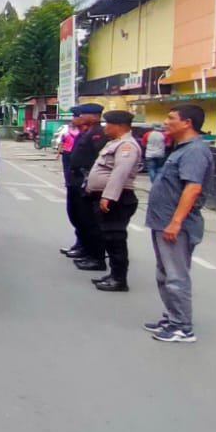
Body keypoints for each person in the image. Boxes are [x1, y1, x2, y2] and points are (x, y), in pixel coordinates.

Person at [144, 104, 213, 343]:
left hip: (176, 225)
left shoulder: (194, 151)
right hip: (162, 221)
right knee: (164, 274)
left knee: (176, 276)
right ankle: (171, 317)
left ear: (187, 123)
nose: (165, 122)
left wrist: (175, 223)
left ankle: (182, 327)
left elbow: (192, 189)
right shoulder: (180, 148)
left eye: (171, 118)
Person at [81, 110, 144, 292]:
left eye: (108, 123)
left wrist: (108, 196)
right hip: (109, 197)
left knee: (115, 238)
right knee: (108, 238)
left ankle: (119, 279)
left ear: (119, 125)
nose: (105, 127)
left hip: (118, 198)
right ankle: (113, 274)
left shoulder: (127, 146)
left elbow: (120, 173)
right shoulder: (115, 143)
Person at [61, 104, 106, 261]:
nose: (76, 118)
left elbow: (96, 160)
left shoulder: (97, 134)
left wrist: (88, 180)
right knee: (77, 216)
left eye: (79, 115)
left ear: (93, 116)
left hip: (85, 181)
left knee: (88, 219)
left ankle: (92, 252)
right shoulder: (84, 133)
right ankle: (82, 245)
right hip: (75, 180)